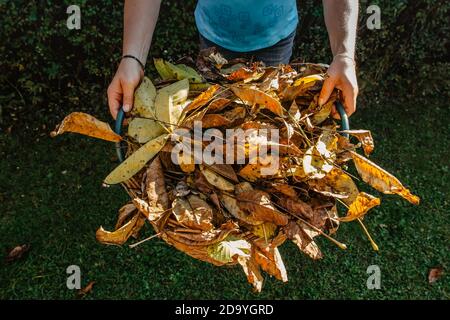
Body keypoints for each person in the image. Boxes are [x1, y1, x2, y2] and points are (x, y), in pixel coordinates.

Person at [108, 0, 358, 120]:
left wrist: (344, 54)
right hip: (214, 39)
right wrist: (132, 57)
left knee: (266, 120)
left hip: (276, 40)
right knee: (218, 118)